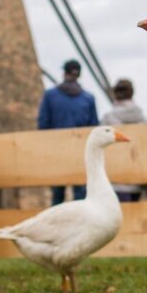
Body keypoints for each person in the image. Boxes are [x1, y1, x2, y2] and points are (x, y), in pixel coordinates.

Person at [39, 59, 99, 204]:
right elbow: (94, 126)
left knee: (57, 195)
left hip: (57, 152)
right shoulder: (88, 99)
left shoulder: (50, 96)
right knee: (81, 196)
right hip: (81, 153)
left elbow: (43, 124)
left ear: (64, 73)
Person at [101, 79, 147, 202]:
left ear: (115, 95)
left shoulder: (108, 119)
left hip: (116, 177)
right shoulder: (142, 119)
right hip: (138, 177)